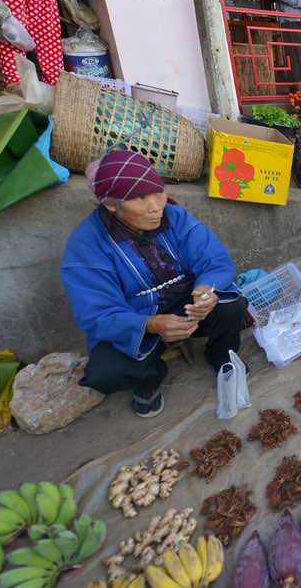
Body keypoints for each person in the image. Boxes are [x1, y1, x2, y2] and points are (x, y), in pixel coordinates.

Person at [61, 151, 248, 418]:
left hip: (186, 302)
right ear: (112, 205)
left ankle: (220, 357)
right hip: (136, 320)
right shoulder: (86, 246)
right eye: (140, 198)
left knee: (232, 304)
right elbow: (97, 314)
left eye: (158, 192)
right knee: (104, 374)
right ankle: (150, 377)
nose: (156, 206)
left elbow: (214, 260)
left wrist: (206, 290)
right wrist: (150, 324)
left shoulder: (175, 216)